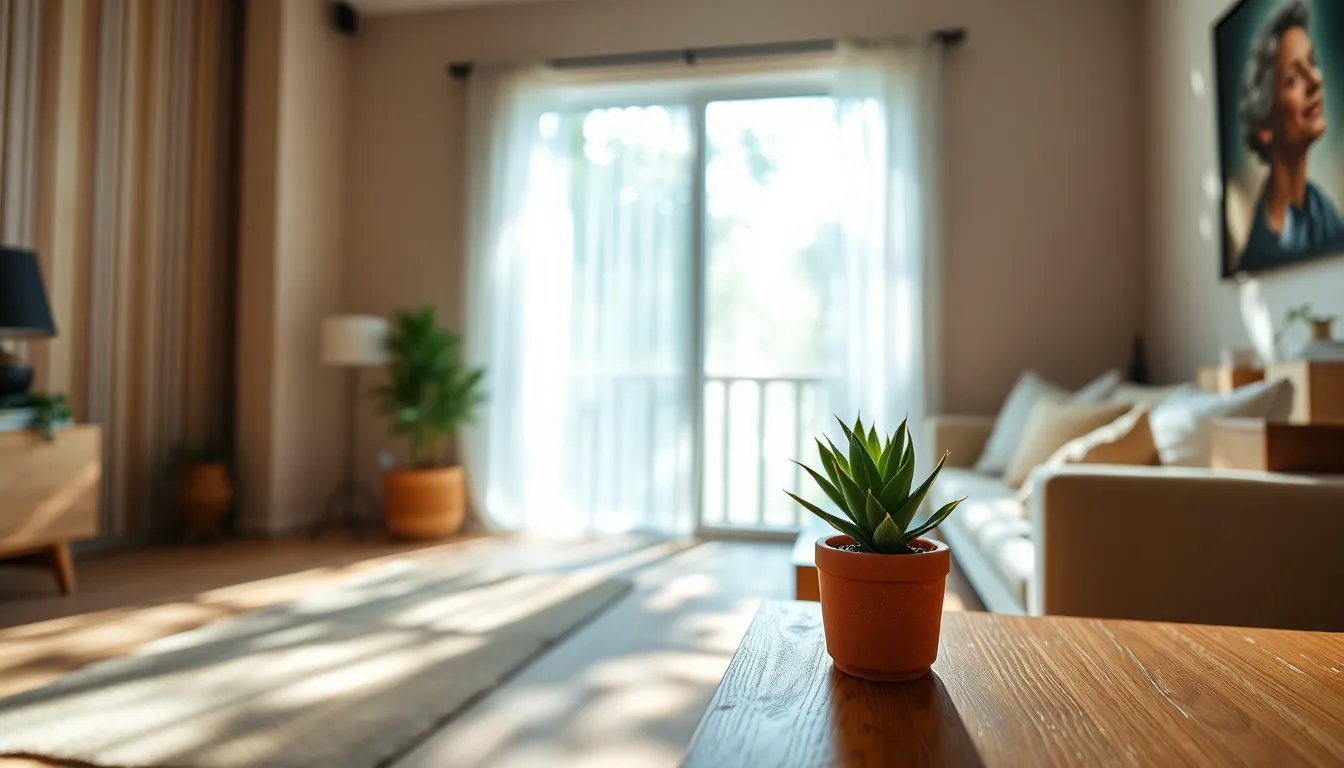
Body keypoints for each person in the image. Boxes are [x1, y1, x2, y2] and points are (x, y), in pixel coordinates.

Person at [1237, 0, 1344, 271]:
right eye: (1293, 79)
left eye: (1313, 63)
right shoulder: (1257, 254)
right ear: (1265, 127)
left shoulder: (1324, 213)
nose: (1316, 80)